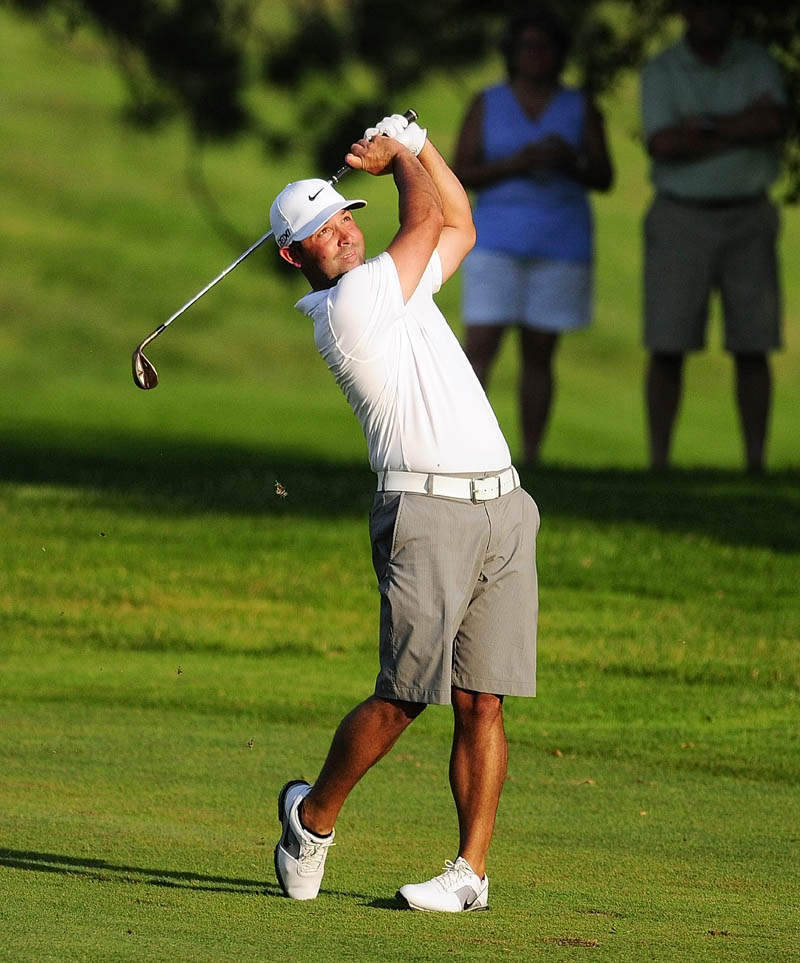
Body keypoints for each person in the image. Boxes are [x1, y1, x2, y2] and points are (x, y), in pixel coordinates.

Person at [268, 113, 540, 912]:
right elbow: (422, 220)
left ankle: (470, 873)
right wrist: (397, 160)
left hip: (502, 505)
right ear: (294, 255)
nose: (344, 233)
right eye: (323, 232)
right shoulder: (349, 306)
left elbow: (459, 224)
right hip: (424, 510)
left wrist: (420, 147)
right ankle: (312, 821)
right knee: (404, 695)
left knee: (483, 699)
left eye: (345, 218)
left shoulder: (397, 282)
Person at [453, 8, 613, 465]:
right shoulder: (487, 102)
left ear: (560, 53)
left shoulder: (579, 106)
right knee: (479, 346)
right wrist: (515, 164)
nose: (536, 55)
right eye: (527, 46)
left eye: (544, 46)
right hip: (494, 240)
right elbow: (460, 170)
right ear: (513, 52)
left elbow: (603, 176)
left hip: (560, 242)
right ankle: (462, 451)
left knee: (539, 353)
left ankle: (530, 455)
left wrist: (571, 162)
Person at [641, 1, 788, 473]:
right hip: (680, 215)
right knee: (668, 341)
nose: (711, 13)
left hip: (749, 214)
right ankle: (659, 463)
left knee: (754, 343)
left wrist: (704, 127)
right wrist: (741, 127)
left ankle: (756, 463)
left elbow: (774, 123)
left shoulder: (758, 61)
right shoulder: (663, 69)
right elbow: (664, 143)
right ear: (685, 11)